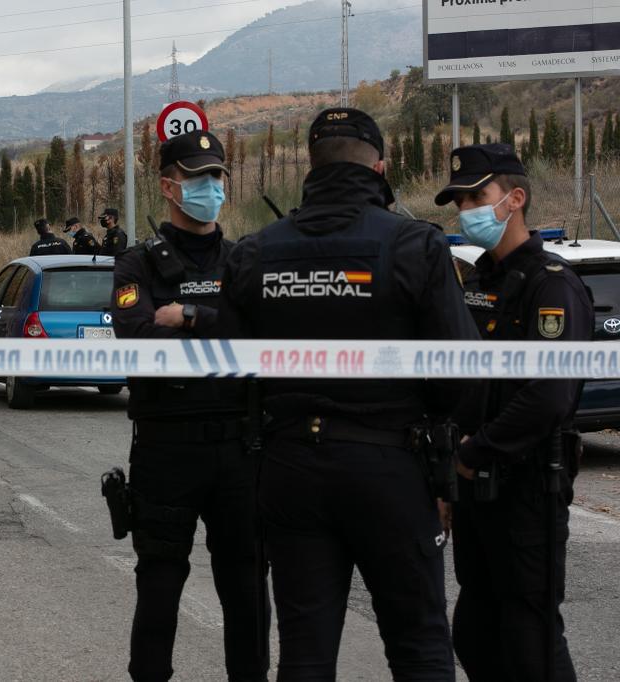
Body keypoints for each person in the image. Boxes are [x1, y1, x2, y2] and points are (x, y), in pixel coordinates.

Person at [217, 108, 480, 681]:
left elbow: (231, 366)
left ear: (311, 166)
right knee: (418, 645)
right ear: (380, 167)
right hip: (392, 466)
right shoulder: (415, 245)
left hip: (290, 470)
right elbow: (461, 372)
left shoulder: (257, 253)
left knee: (306, 652)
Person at [111, 130, 269, 682]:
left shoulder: (245, 259)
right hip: (166, 447)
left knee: (248, 592)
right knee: (159, 586)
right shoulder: (137, 266)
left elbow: (262, 336)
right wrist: (222, 323)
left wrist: (190, 317)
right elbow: (135, 334)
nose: (211, 186)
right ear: (169, 186)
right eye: (199, 177)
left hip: (240, 446)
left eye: (217, 176)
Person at [435, 144, 590, 682]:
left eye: (478, 196)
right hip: (475, 490)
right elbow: (463, 383)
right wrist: (450, 474)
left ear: (515, 198)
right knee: (476, 633)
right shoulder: (477, 283)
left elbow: (549, 396)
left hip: (527, 489)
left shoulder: (552, 285)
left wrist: (474, 453)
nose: (466, 210)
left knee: (531, 643)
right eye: (459, 201)